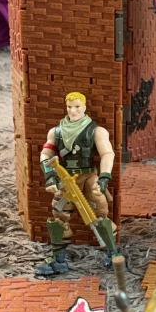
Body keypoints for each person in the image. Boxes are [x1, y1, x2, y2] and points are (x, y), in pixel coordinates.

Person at [37, 91, 115, 276]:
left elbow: (107, 153)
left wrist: (104, 176)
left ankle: (113, 254)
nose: (73, 111)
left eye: (77, 107)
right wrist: (50, 176)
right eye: (69, 107)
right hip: (66, 178)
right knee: (59, 215)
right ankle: (58, 260)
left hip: (88, 177)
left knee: (100, 213)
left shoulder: (96, 131)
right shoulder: (56, 132)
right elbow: (45, 155)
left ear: (84, 107)